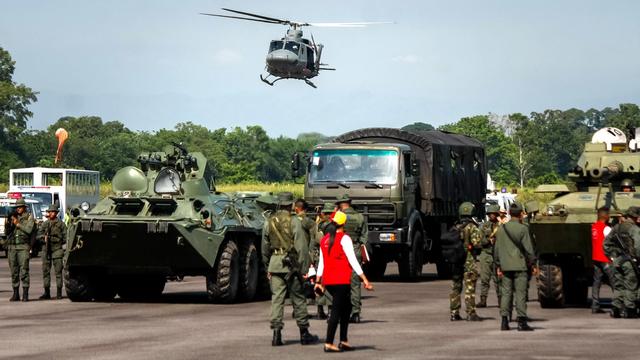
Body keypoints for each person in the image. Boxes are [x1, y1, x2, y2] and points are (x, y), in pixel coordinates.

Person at [261, 192, 319, 346]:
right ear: (291, 205)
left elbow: (265, 247)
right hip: (292, 265)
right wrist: (304, 267)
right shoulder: (294, 221)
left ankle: (276, 334)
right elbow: (301, 246)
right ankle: (304, 333)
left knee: (277, 299)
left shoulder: (269, 222)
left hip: (275, 263)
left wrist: (268, 265)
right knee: (298, 298)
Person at [315, 211, 374, 353]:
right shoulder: (345, 239)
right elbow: (353, 260)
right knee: (337, 311)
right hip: (341, 280)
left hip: (329, 280)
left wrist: (318, 281)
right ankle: (329, 342)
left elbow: (321, 263)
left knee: (346, 308)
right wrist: (365, 279)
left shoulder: (324, 240)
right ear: (343, 223)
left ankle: (344, 340)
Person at [495, 202, 537, 331]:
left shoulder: (501, 228)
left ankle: (504, 321)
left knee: (506, 293)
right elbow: (529, 249)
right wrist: (533, 264)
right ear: (520, 214)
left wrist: (498, 265)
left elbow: (496, 250)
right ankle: (521, 322)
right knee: (520, 294)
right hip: (520, 266)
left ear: (509, 213)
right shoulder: (523, 229)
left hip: (505, 266)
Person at [335, 194, 368, 323]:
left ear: (340, 204)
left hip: (341, 249)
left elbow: (332, 231)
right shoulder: (359, 217)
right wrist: (358, 245)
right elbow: (364, 236)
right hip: (355, 248)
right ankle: (356, 313)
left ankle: (341, 310)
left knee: (340, 281)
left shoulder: (339, 217)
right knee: (355, 283)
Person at [603, 206, 640, 318]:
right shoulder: (634, 229)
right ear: (635, 216)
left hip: (617, 261)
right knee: (631, 286)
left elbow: (606, 244)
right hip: (630, 263)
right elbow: (638, 247)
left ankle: (616, 309)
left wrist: (612, 257)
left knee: (619, 286)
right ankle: (630, 310)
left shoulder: (616, 227)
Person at [449, 202, 483, 321]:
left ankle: (454, 313)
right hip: (468, 262)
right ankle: (471, 313)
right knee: (469, 288)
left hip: (455, 261)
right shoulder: (472, 227)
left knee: (455, 288)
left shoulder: (455, 227)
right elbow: (477, 244)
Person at [310, 202, 336, 319]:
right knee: (331, 283)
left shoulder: (316, 226)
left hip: (318, 257)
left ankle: (320, 310)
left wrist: (312, 259)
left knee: (319, 283)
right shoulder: (333, 227)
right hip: (329, 257)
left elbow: (312, 243)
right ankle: (330, 310)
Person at [7, 198, 35, 302]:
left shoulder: (29, 217)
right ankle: (15, 293)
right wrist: (9, 223)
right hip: (12, 247)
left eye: (20, 207)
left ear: (24, 207)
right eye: (17, 207)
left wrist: (18, 224)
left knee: (24, 271)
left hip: (23, 247)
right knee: (14, 271)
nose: (18, 209)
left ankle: (25, 294)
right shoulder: (13, 217)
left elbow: (29, 230)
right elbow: (8, 232)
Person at [38, 204, 67, 300]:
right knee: (45, 272)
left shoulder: (61, 224)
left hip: (57, 250)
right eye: (49, 212)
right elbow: (38, 236)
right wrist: (44, 238)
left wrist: (56, 240)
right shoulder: (45, 224)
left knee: (58, 272)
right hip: (46, 250)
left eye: (52, 212)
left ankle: (59, 292)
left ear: (56, 213)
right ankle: (47, 292)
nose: (51, 213)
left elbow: (65, 237)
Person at [591, 206, 615, 314]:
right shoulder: (607, 229)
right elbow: (612, 243)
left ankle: (595, 306)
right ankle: (617, 305)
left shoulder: (593, 227)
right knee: (614, 282)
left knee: (596, 282)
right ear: (606, 216)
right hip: (605, 259)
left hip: (596, 258)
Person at [477, 204, 501, 308]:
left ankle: (501, 300)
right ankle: (483, 300)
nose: (491, 216)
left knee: (499, 280)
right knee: (484, 279)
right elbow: (479, 241)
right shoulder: (484, 226)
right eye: (490, 214)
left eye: (493, 214)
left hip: (498, 256)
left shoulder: (501, 226)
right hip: (486, 254)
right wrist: (488, 241)